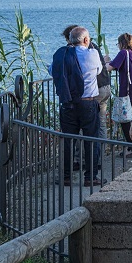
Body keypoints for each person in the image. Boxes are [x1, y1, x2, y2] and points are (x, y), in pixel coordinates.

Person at [49, 26, 104, 187]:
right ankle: (90, 177)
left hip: (68, 103)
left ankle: (66, 176)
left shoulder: (61, 55)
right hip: (87, 103)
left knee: (68, 140)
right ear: (86, 40)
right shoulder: (92, 54)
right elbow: (99, 70)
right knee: (91, 140)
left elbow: (53, 71)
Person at [104, 33, 132, 157]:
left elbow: (109, 68)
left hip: (130, 89)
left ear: (121, 43)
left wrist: (105, 61)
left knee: (125, 119)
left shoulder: (124, 53)